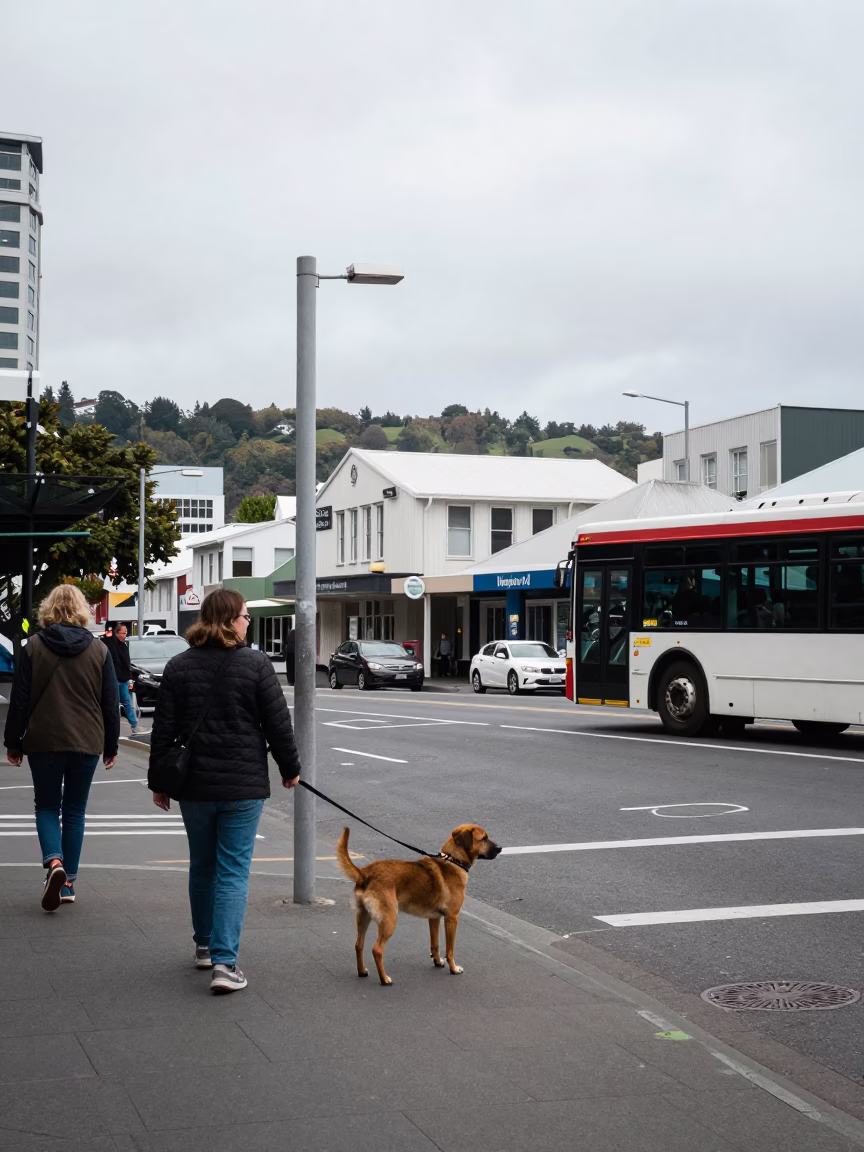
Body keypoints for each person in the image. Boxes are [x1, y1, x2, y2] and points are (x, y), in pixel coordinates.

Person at [148, 589, 301, 994]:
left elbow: (162, 731)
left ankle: (203, 946)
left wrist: (160, 784)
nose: (248, 622)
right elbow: (277, 725)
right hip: (242, 785)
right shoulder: (255, 664)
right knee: (233, 870)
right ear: (231, 619)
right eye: (246, 616)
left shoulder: (178, 667)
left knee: (202, 865)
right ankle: (225, 964)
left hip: (195, 785)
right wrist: (290, 770)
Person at [3, 585, 120, 910]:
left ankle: (53, 862)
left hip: (44, 740)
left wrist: (13, 742)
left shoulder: (33, 647)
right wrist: (110, 745)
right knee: (75, 811)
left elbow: (21, 700)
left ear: (49, 609)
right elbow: (110, 703)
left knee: (45, 807)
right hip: (87, 739)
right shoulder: (99, 650)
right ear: (82, 609)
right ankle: (67, 882)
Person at [101, 621, 139, 736]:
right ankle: (113, 727)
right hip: (115, 678)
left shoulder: (124, 645)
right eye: (124, 632)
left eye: (126, 632)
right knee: (116, 703)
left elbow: (127, 663)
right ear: (117, 633)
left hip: (123, 678)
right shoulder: (111, 644)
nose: (125, 635)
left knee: (126, 702)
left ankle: (134, 725)